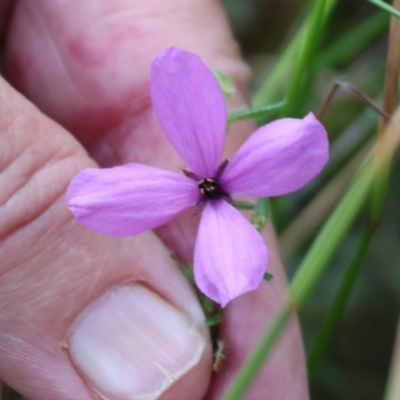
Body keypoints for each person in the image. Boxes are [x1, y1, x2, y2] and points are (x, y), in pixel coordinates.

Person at [0, 0, 308, 398]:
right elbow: (97, 201)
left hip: (219, 202)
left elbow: (295, 145)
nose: (208, 187)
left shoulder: (218, 195)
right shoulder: (199, 187)